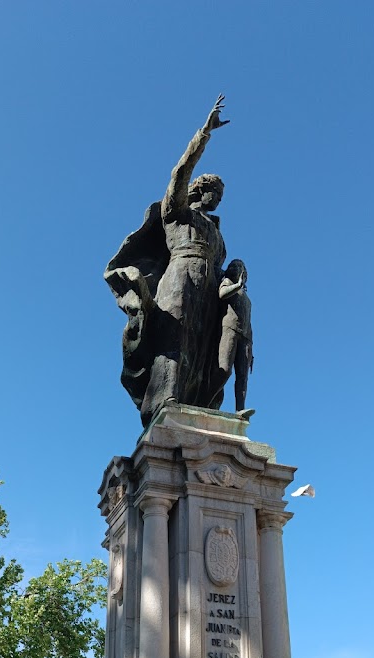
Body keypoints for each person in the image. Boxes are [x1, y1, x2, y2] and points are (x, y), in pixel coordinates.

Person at [105, 96, 231, 425]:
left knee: (203, 349)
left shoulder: (217, 235)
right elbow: (179, 172)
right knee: (175, 339)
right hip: (179, 276)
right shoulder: (176, 213)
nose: (216, 198)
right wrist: (204, 134)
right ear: (198, 190)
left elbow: (222, 266)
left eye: (220, 194)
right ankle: (165, 400)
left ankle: (202, 407)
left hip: (209, 287)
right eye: (212, 191)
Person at [214, 259, 253, 412]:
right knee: (224, 370)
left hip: (245, 337)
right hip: (230, 329)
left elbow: (249, 322)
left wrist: (252, 348)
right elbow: (222, 294)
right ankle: (208, 400)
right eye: (234, 266)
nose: (236, 268)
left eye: (240, 266)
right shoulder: (227, 282)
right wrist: (237, 285)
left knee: (243, 376)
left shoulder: (247, 298)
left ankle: (240, 410)